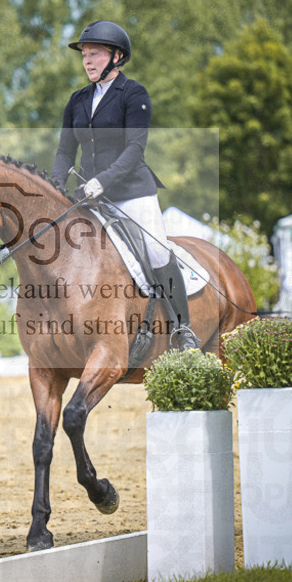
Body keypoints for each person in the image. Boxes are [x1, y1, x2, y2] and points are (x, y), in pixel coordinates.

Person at [51, 20, 199, 350]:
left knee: (158, 250)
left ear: (117, 56)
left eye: (95, 54)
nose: (87, 61)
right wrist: (56, 188)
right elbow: (64, 152)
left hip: (132, 192)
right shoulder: (77, 100)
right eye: (84, 55)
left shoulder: (133, 94)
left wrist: (101, 181)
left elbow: (135, 150)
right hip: (89, 200)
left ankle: (182, 329)